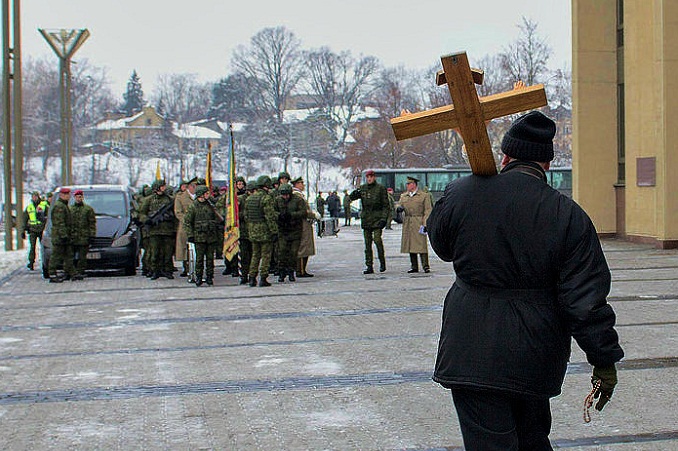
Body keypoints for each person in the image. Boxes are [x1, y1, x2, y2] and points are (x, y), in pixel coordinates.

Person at [426, 111, 624, 450]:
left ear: (505, 156)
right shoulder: (567, 214)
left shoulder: (462, 194)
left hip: (471, 348)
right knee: (532, 440)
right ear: (547, 163)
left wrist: (465, 189)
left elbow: (442, 246)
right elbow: (586, 299)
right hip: (535, 352)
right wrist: (603, 359)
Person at [349, 169, 389, 274]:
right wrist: (354, 193)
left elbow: (386, 206)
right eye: (368, 177)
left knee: (377, 240)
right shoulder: (363, 188)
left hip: (377, 219)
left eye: (371, 177)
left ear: (374, 177)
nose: (370, 179)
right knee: (367, 245)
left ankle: (382, 262)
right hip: (366, 219)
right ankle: (369, 266)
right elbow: (352, 198)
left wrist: (384, 219)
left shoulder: (380, 189)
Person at [245, 175, 278, 287]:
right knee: (266, 255)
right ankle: (263, 278)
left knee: (255, 255)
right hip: (265, 231)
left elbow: (246, 216)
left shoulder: (249, 199)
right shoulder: (266, 198)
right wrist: (274, 231)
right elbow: (270, 217)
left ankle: (251, 277)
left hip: (253, 231)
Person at [139, 179, 176, 280]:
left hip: (168, 230)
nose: (164, 188)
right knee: (154, 253)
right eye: (162, 186)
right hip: (154, 230)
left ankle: (167, 270)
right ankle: (155, 270)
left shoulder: (169, 200)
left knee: (168, 253)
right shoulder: (148, 200)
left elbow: (175, 213)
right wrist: (147, 220)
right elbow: (142, 213)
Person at [184, 185, 220, 286]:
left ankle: (209, 277)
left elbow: (218, 218)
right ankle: (198, 277)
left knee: (210, 259)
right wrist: (190, 235)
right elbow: (187, 222)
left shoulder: (210, 205)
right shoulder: (193, 207)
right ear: (201, 195)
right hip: (199, 237)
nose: (209, 195)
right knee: (199, 259)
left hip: (211, 236)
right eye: (206, 193)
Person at [398, 176, 432, 273]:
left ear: (414, 185)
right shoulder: (404, 196)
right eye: (407, 184)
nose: (407, 186)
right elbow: (399, 204)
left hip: (419, 221)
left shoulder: (424, 196)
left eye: (409, 184)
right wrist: (398, 208)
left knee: (421, 244)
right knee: (410, 244)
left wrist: (425, 224)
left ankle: (425, 265)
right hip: (408, 222)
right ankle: (414, 266)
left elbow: (428, 210)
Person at [274, 183, 306, 282]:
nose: (285, 197)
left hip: (295, 230)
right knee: (282, 252)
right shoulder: (278, 200)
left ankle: (291, 271)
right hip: (283, 230)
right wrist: (280, 216)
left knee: (293, 252)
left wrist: (291, 215)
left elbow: (303, 212)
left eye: (287, 195)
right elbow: (272, 212)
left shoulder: (298, 200)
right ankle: (282, 271)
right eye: (283, 195)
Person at [292, 177, 320, 277]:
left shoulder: (298, 195)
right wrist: (313, 215)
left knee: (304, 246)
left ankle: (301, 269)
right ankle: (300, 271)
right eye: (301, 183)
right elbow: (304, 211)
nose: (303, 185)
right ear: (297, 184)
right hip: (302, 224)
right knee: (303, 247)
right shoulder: (297, 195)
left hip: (303, 223)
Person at [48, 187, 74, 283]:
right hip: (59, 236)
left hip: (63, 235)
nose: (68, 196)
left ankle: (69, 272)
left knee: (68, 255)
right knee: (56, 255)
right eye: (66, 195)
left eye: (68, 194)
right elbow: (60, 222)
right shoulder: (59, 206)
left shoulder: (64, 205)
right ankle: (52, 274)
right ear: (61, 195)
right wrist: (63, 235)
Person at [69, 189, 96, 280]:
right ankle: (72, 272)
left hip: (83, 237)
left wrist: (91, 235)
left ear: (82, 197)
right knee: (70, 256)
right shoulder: (70, 209)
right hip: (72, 237)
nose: (78, 199)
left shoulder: (88, 209)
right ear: (74, 198)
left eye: (80, 197)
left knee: (82, 257)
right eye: (77, 197)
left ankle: (80, 272)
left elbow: (92, 223)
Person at [21, 191, 49, 270]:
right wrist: (23, 230)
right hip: (32, 229)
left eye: (35, 196)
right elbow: (25, 219)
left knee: (44, 247)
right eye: (33, 197)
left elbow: (49, 216)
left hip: (42, 229)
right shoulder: (29, 207)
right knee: (32, 247)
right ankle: (31, 262)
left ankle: (44, 262)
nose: (34, 198)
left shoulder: (44, 206)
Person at [174, 178, 195, 277]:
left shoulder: (200, 196)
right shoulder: (180, 197)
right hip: (185, 226)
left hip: (198, 226)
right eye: (193, 186)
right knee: (184, 247)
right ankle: (186, 268)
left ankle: (196, 268)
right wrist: (187, 220)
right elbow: (178, 212)